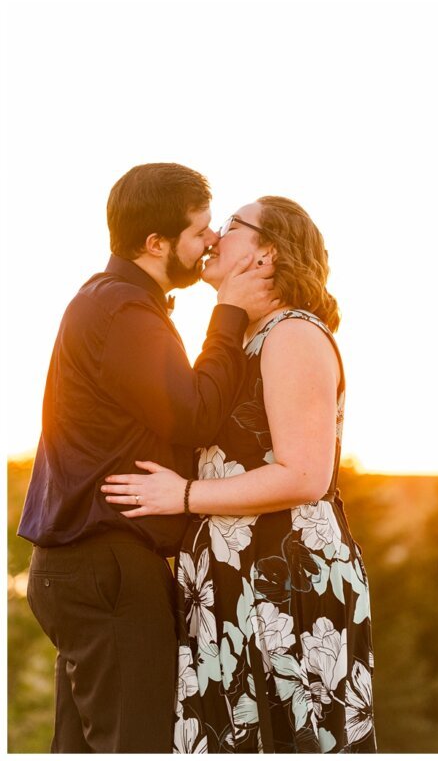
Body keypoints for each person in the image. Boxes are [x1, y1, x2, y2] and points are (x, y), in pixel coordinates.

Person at [18, 163, 277, 753]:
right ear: (155, 243)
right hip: (104, 566)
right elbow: (196, 415)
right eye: (199, 230)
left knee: (84, 749)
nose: (211, 239)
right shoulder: (124, 314)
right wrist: (230, 313)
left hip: (85, 567)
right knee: (134, 747)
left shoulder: (111, 304)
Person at [102, 196, 375, 753]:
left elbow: (305, 475)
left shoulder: (292, 334)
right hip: (229, 574)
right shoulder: (243, 340)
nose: (214, 237)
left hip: (287, 576)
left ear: (267, 252)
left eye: (230, 225)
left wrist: (182, 495)